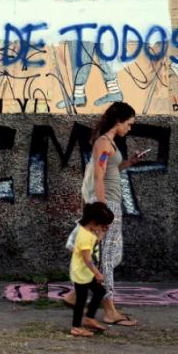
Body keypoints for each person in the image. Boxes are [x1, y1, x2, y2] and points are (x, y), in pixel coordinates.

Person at [64, 101, 144, 326]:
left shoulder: (111, 144)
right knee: (107, 258)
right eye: (128, 124)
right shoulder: (103, 143)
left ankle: (74, 294)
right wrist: (102, 208)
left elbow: (109, 171)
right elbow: (99, 177)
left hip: (111, 203)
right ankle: (109, 311)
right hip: (107, 203)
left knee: (111, 255)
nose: (129, 128)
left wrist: (129, 162)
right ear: (118, 121)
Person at [69, 202, 114, 337]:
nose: (103, 228)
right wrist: (98, 273)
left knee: (100, 292)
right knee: (81, 301)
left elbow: (94, 243)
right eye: (101, 225)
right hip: (82, 274)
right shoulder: (84, 236)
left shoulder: (88, 231)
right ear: (94, 222)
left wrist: (100, 233)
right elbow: (87, 259)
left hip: (87, 272)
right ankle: (76, 327)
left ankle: (89, 318)